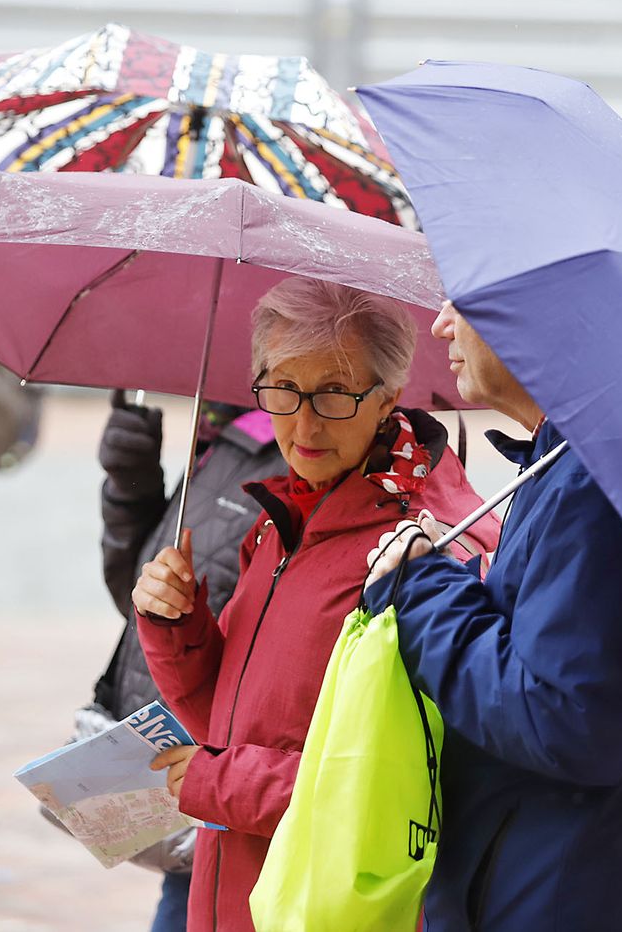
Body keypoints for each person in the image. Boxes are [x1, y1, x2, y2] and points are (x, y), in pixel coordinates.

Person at [364, 301, 622, 931]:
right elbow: (563, 648)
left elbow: (560, 717)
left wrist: (419, 587)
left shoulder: (599, 482)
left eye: (463, 301)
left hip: (573, 895)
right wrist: (451, 578)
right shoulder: (583, 460)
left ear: (534, 310)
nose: (440, 324)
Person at [132, 277, 501, 932]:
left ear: (388, 395)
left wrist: (223, 783)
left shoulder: (425, 547)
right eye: (282, 388)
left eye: (334, 393)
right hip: (237, 897)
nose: (303, 423)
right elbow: (227, 720)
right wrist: (177, 625)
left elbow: (408, 792)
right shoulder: (288, 515)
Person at [78, 392, 285, 931]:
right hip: (189, 764)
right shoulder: (226, 439)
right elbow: (137, 595)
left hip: (227, 771)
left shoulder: (293, 450)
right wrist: (130, 478)